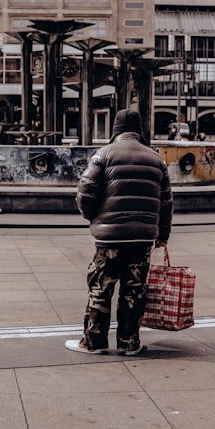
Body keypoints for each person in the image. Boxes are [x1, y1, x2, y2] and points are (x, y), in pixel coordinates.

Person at [67, 109, 173, 356]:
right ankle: (129, 342)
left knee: (100, 288)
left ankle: (93, 342)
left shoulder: (103, 155)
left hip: (110, 239)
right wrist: (163, 233)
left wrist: (93, 218)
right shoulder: (156, 159)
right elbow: (166, 202)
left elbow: (85, 192)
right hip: (142, 238)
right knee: (134, 290)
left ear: (115, 130)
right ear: (140, 131)